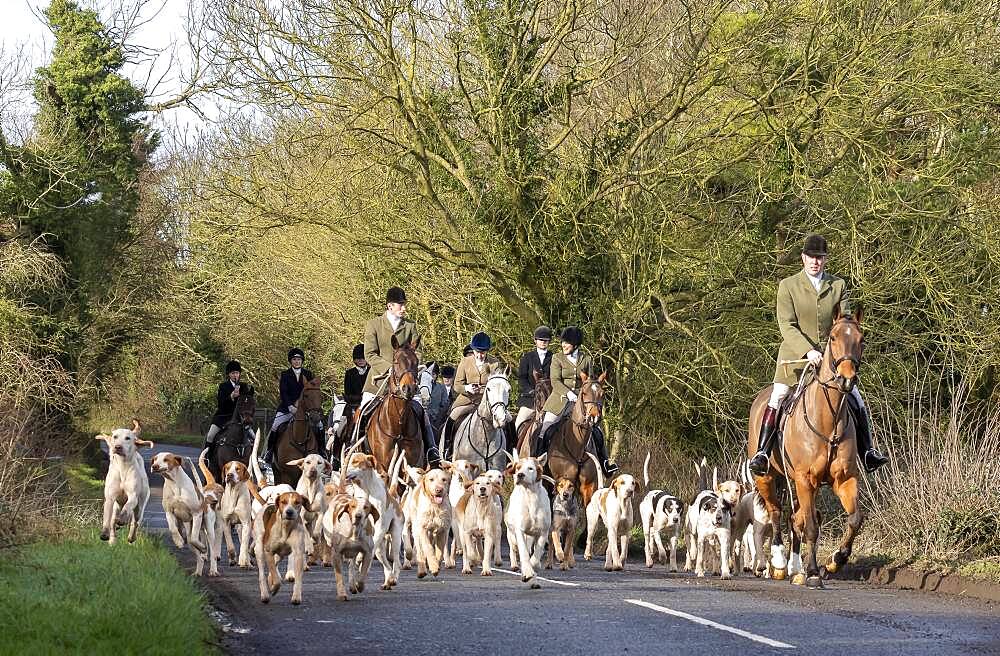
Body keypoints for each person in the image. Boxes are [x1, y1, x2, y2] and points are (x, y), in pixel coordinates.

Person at [748, 233, 889, 476]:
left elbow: (844, 322)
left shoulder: (838, 285)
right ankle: (762, 453)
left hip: (831, 361)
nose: (815, 262)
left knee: (856, 397)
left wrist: (836, 350)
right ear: (803, 258)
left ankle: (868, 452)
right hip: (794, 358)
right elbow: (787, 325)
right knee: (778, 396)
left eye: (820, 258)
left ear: (825, 260)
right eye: (811, 257)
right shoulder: (788, 286)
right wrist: (807, 350)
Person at [359, 286, 440, 466]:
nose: (404, 308)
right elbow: (370, 354)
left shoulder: (410, 325)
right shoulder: (374, 324)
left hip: (405, 379)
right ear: (390, 306)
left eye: (404, 304)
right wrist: (389, 368)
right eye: (400, 305)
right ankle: (353, 447)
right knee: (363, 411)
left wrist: (408, 368)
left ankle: (432, 450)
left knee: (420, 411)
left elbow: (418, 351)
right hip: (378, 380)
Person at [533, 326, 618, 475]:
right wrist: (568, 393)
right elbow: (555, 381)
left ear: (575, 345)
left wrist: (581, 394)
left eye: (566, 343)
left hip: (581, 402)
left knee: (597, 431)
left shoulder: (586, 359)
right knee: (545, 428)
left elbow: (590, 382)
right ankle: (537, 461)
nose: (563, 345)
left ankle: (605, 463)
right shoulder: (557, 358)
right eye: (563, 343)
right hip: (558, 401)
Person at [441, 332, 501, 457]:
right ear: (473, 350)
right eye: (477, 352)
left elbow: (496, 385)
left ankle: (508, 450)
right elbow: (457, 385)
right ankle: (447, 448)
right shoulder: (465, 361)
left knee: (506, 420)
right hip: (466, 400)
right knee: (452, 417)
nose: (480, 355)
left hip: (486, 402)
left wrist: (482, 390)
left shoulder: (494, 363)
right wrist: (467, 388)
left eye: (483, 352)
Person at [262, 348, 316, 467]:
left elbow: (311, 392)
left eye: (299, 359)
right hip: (287, 408)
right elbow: (283, 392)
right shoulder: (285, 374)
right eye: (294, 359)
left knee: (320, 426)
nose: (297, 362)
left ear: (302, 361)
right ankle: (269, 452)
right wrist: (290, 406)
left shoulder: (308, 374)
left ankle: (322, 451)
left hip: (305, 409)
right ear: (291, 361)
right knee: (275, 425)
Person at [327, 344, 368, 465]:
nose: (361, 360)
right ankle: (336, 456)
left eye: (363, 358)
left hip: (369, 403)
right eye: (358, 358)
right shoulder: (349, 373)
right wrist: (355, 400)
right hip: (352, 405)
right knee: (340, 429)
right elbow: (347, 391)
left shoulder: (372, 371)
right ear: (354, 360)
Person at [204, 360, 253, 460]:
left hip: (239, 418)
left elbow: (247, 402)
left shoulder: (244, 386)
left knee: (254, 436)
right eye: (233, 373)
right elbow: (221, 404)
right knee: (210, 435)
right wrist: (231, 396)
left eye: (237, 373)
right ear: (229, 375)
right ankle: (207, 459)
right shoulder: (223, 386)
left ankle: (255, 460)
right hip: (223, 417)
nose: (235, 375)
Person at [515, 325, 552, 432]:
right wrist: (530, 390)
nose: (543, 342)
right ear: (535, 340)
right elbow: (522, 378)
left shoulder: (554, 358)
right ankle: (516, 448)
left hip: (549, 399)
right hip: (530, 400)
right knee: (518, 423)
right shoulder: (527, 358)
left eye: (546, 340)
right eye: (541, 340)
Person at [424, 362, 451, 438]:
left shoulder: (441, 388)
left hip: (435, 422)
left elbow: (445, 405)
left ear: (436, 375)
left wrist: (438, 419)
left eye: (433, 374)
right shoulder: (419, 386)